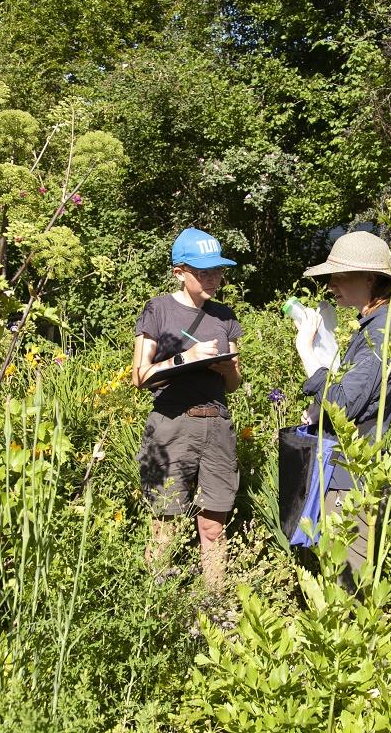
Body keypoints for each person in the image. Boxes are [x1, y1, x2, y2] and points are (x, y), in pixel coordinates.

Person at [294, 230, 391, 585]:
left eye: (341, 276)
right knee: (337, 570)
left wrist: (306, 351)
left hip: (354, 473)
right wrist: (319, 411)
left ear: (371, 278)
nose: (331, 285)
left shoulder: (381, 331)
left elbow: (345, 401)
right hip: (349, 465)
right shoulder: (370, 327)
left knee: (346, 581)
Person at [131, 227, 242, 590]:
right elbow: (140, 376)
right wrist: (185, 357)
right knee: (165, 521)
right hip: (172, 425)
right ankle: (159, 605)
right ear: (179, 272)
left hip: (217, 425)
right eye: (204, 272)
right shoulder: (158, 310)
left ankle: (215, 602)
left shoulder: (224, 315)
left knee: (213, 524)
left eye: (219, 271)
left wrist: (228, 368)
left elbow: (234, 383)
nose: (215, 278)